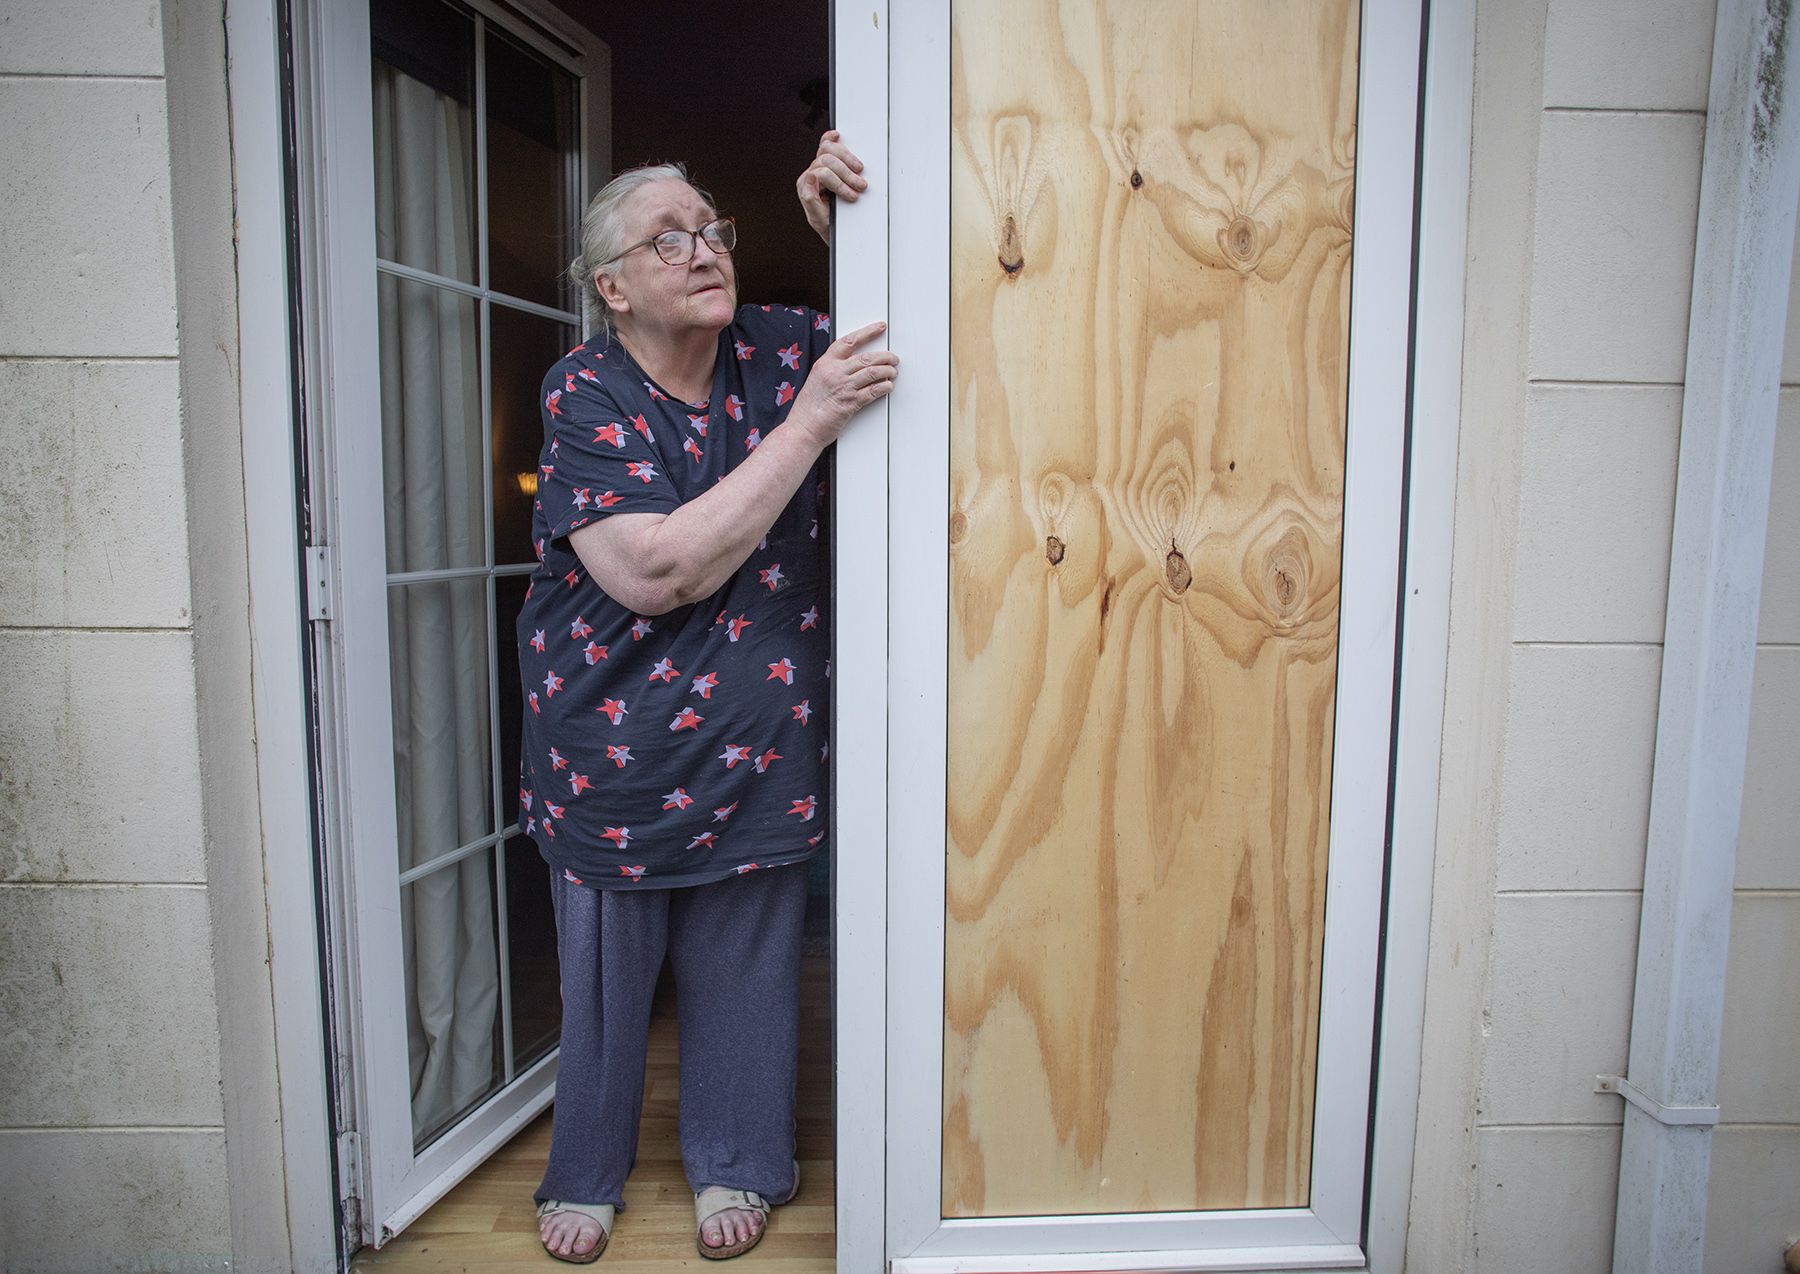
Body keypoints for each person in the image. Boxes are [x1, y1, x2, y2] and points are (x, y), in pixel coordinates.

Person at [516, 132, 893, 1263]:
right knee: (606, 985)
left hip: (760, 744)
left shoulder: (781, 349)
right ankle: (586, 1166)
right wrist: (812, 426)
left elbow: (928, 325)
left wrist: (851, 238)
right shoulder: (585, 389)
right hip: (610, 745)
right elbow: (656, 570)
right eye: (666, 237)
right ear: (612, 287)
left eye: (713, 228)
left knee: (749, 969)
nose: (703, 251)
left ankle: (737, 1153)